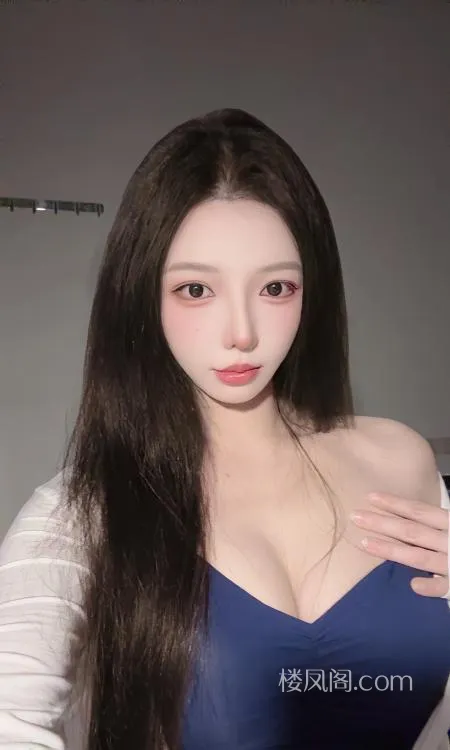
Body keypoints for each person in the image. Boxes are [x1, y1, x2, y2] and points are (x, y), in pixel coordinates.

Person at [0, 107, 449, 750]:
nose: (241, 332)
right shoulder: (84, 515)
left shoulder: (399, 460)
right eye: (195, 290)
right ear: (140, 297)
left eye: (276, 288)